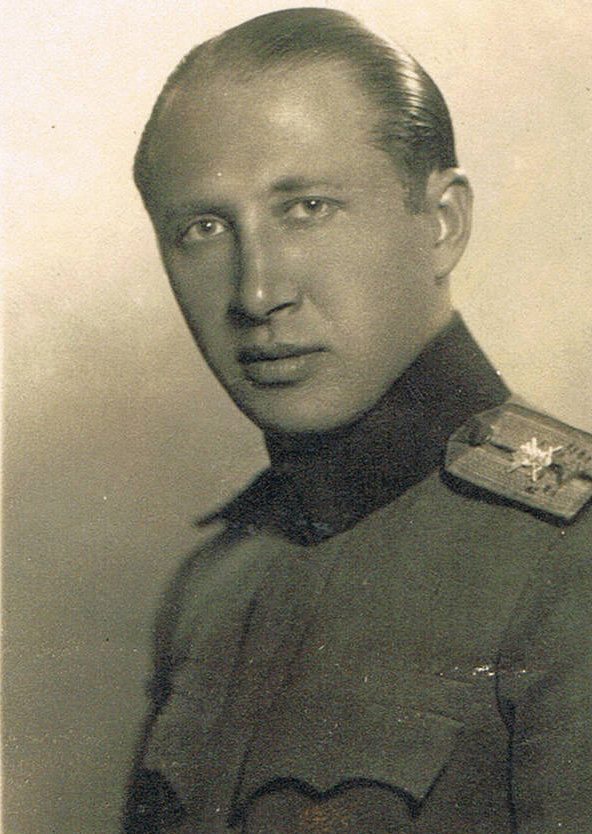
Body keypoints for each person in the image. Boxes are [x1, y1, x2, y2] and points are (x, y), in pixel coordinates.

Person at [123, 8, 592, 833]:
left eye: (307, 207)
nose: (256, 293)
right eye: (204, 228)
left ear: (441, 223)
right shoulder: (212, 586)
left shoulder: (569, 559)